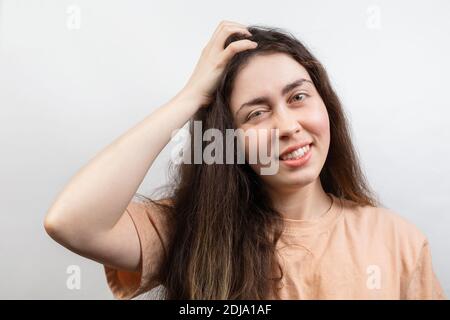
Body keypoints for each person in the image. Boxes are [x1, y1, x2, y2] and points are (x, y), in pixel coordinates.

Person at [44, 20, 446, 300]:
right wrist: (190, 98)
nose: (287, 126)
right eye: (256, 113)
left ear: (327, 105)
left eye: (298, 97)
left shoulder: (398, 241)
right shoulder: (189, 228)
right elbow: (70, 221)